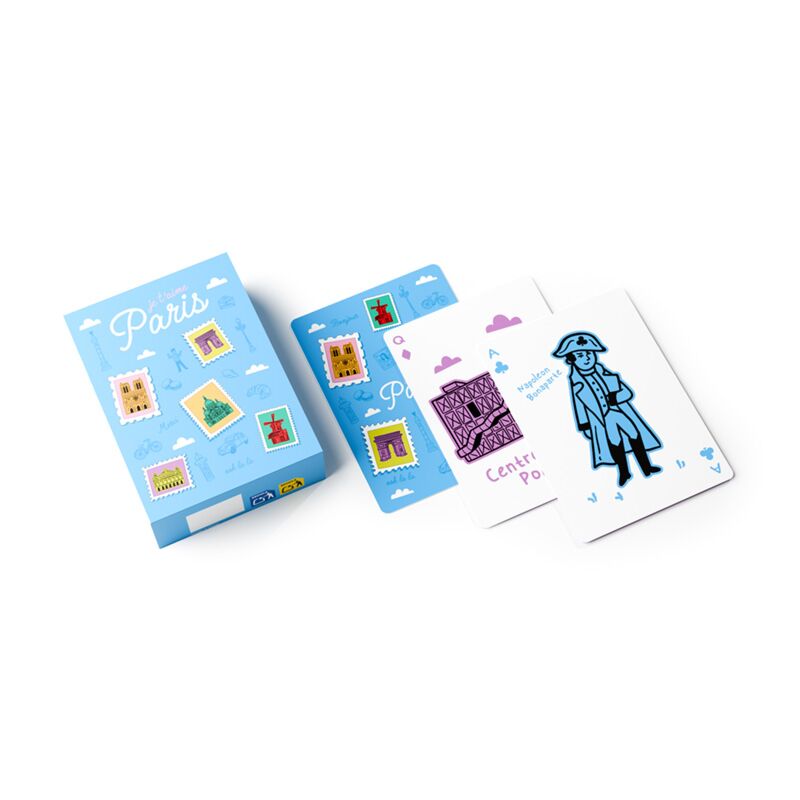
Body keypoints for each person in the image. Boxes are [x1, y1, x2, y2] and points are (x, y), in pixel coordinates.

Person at [551, 332, 662, 487]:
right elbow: (579, 405)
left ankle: (646, 467)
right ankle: (624, 472)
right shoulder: (576, 381)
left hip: (617, 411)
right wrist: (585, 426)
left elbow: (626, 391)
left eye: (589, 353)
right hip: (602, 418)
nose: (587, 358)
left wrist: (616, 398)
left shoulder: (604, 372)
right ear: (571, 359)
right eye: (580, 355)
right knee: (615, 440)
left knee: (634, 433)